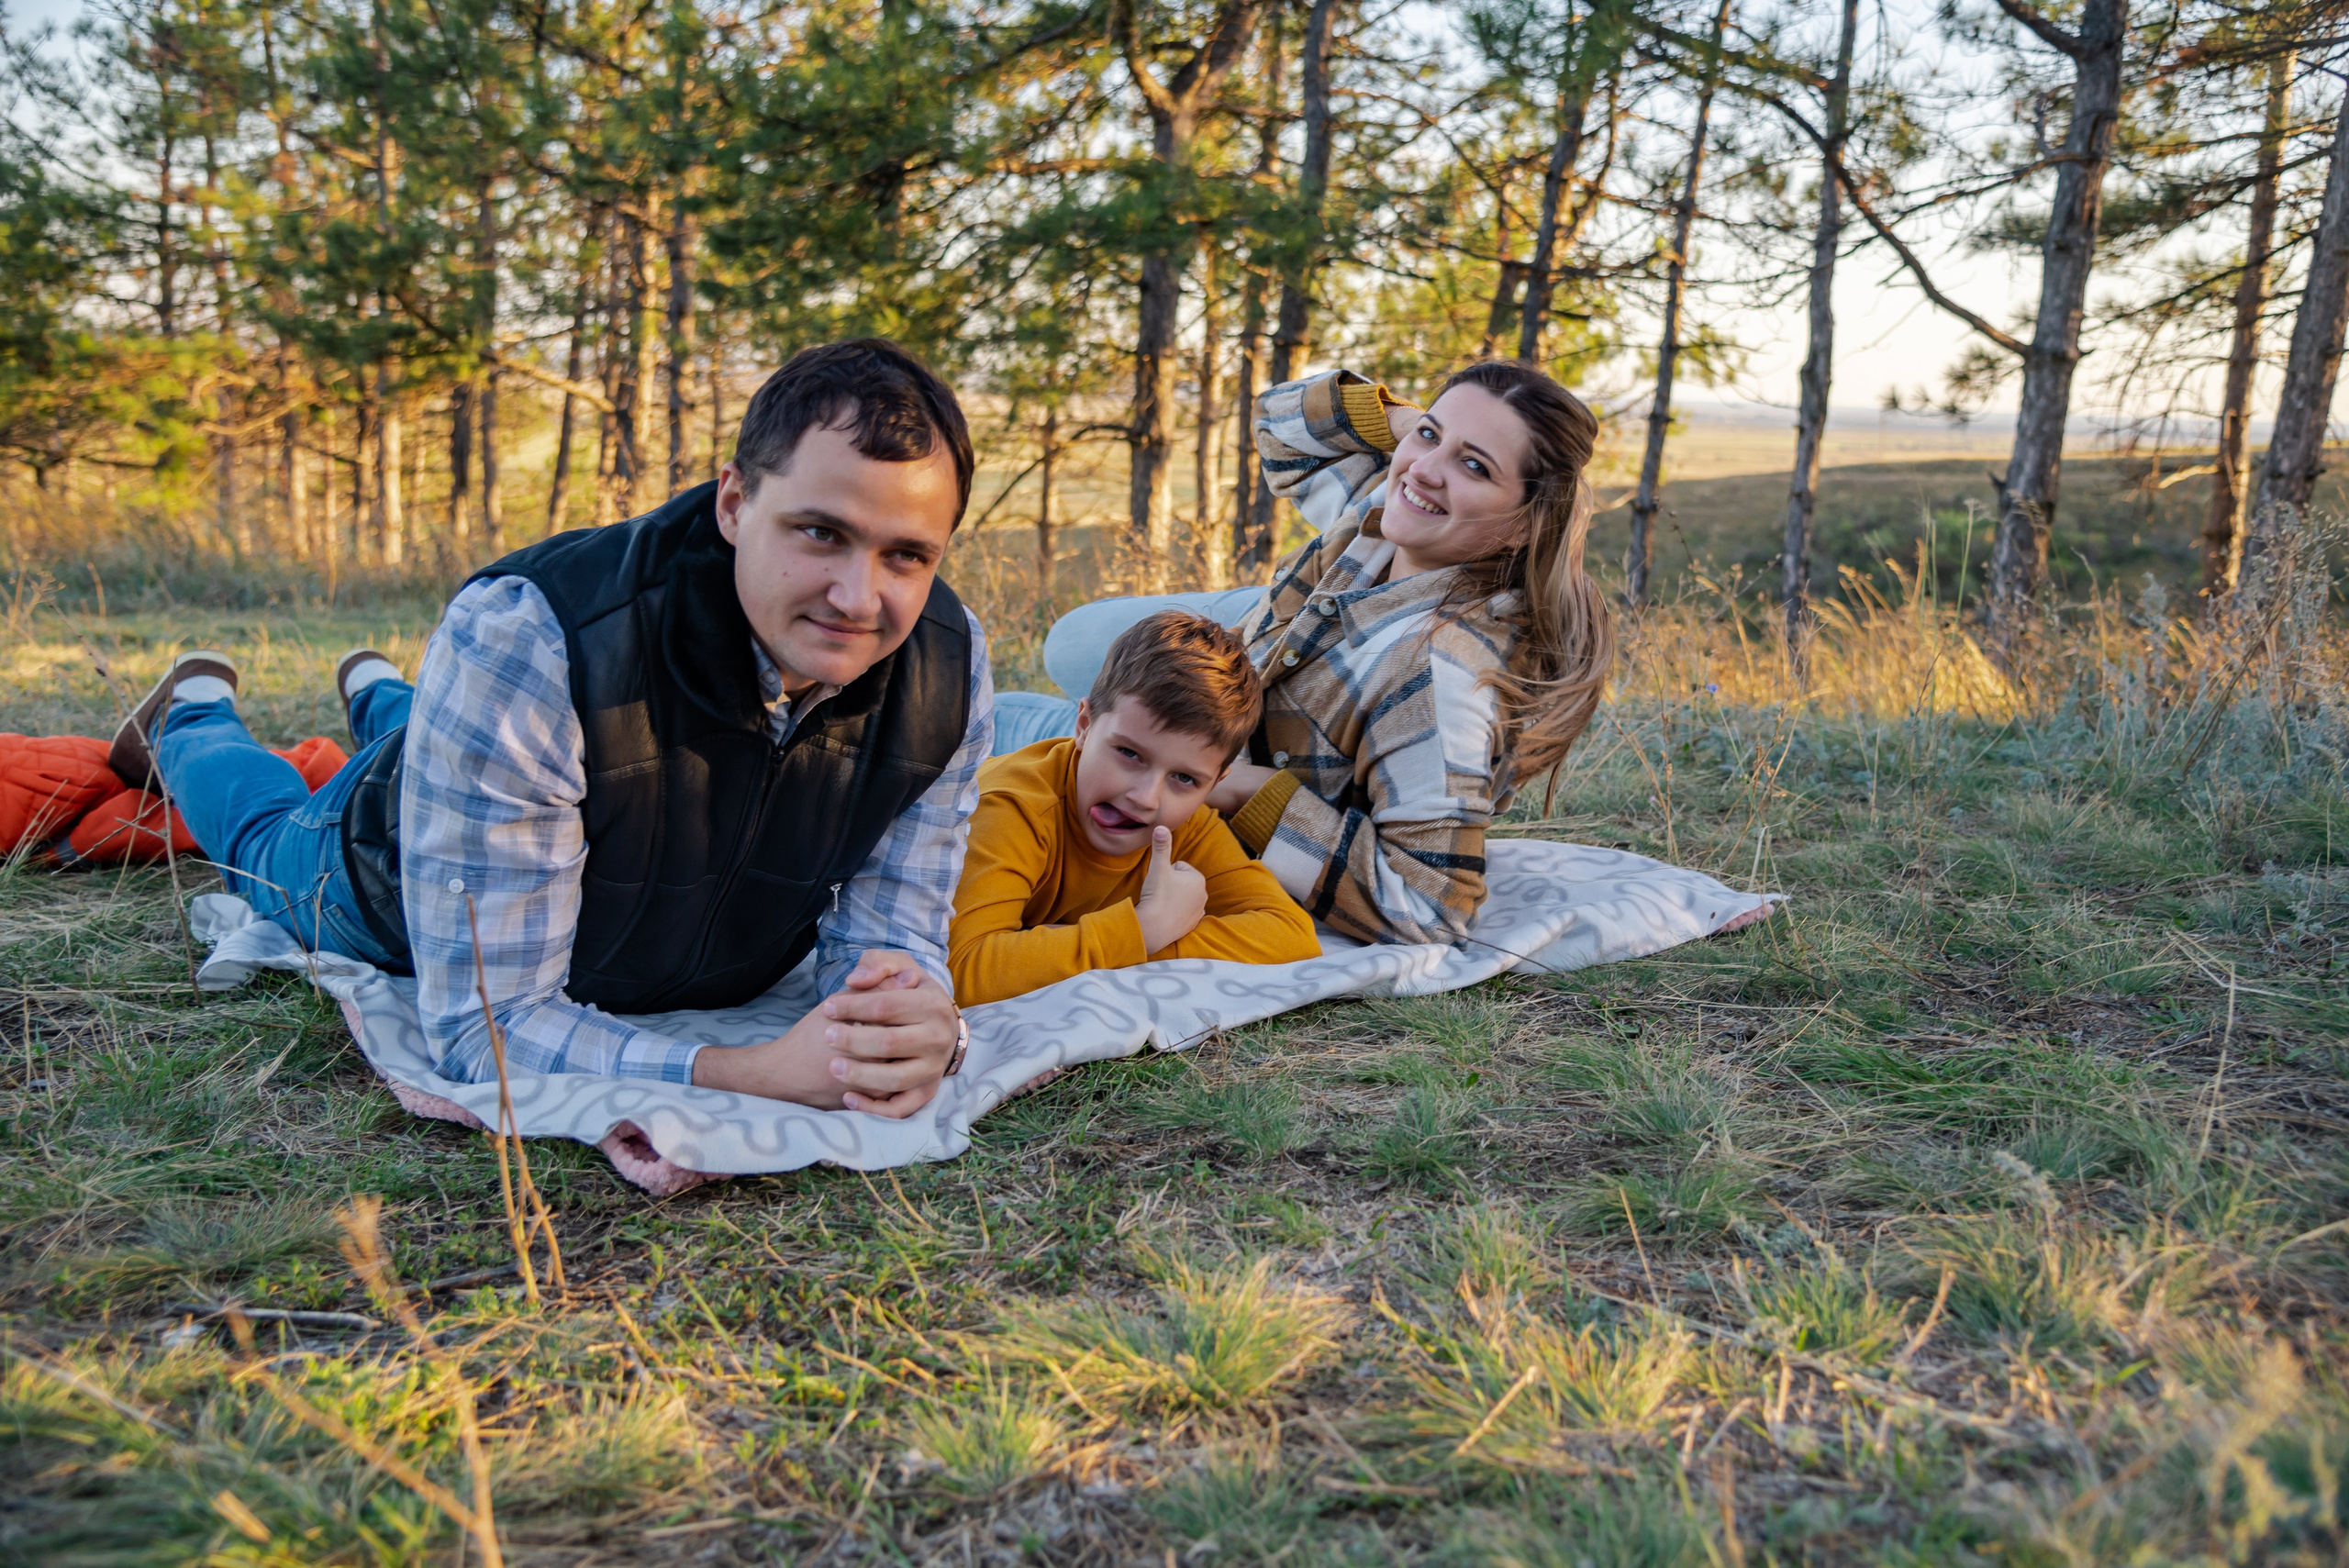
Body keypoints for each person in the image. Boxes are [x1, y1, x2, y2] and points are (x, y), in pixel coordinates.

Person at [110, 339, 994, 1118]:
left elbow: (893, 940)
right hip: (372, 882)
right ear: (733, 503)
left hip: (514, 763)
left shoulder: (948, 671)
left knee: (443, 727)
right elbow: (487, 1029)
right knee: (264, 834)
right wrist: (749, 1071)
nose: (858, 596)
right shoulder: (536, 636)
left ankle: (381, 690)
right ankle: (192, 711)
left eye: (906, 554)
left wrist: (907, 1022)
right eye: (820, 532)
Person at [992, 362, 1613, 948]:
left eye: (1474, 466)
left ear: (1526, 524)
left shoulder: (1437, 677)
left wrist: (1252, 792)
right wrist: (1408, 427)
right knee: (1069, 640)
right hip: (1262, 640)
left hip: (1233, 738)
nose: (1425, 471)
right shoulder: (1389, 508)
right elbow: (1279, 427)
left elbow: (1430, 908)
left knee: (1005, 721)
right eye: (1431, 435)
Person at [950, 611, 1320, 1006]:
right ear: (1084, 724)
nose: (1145, 798)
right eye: (1129, 753)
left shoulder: (1188, 825)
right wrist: (1142, 931)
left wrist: (1148, 940)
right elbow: (963, 970)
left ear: (1215, 783)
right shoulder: (1011, 806)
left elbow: (1291, 935)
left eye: (1184, 779)